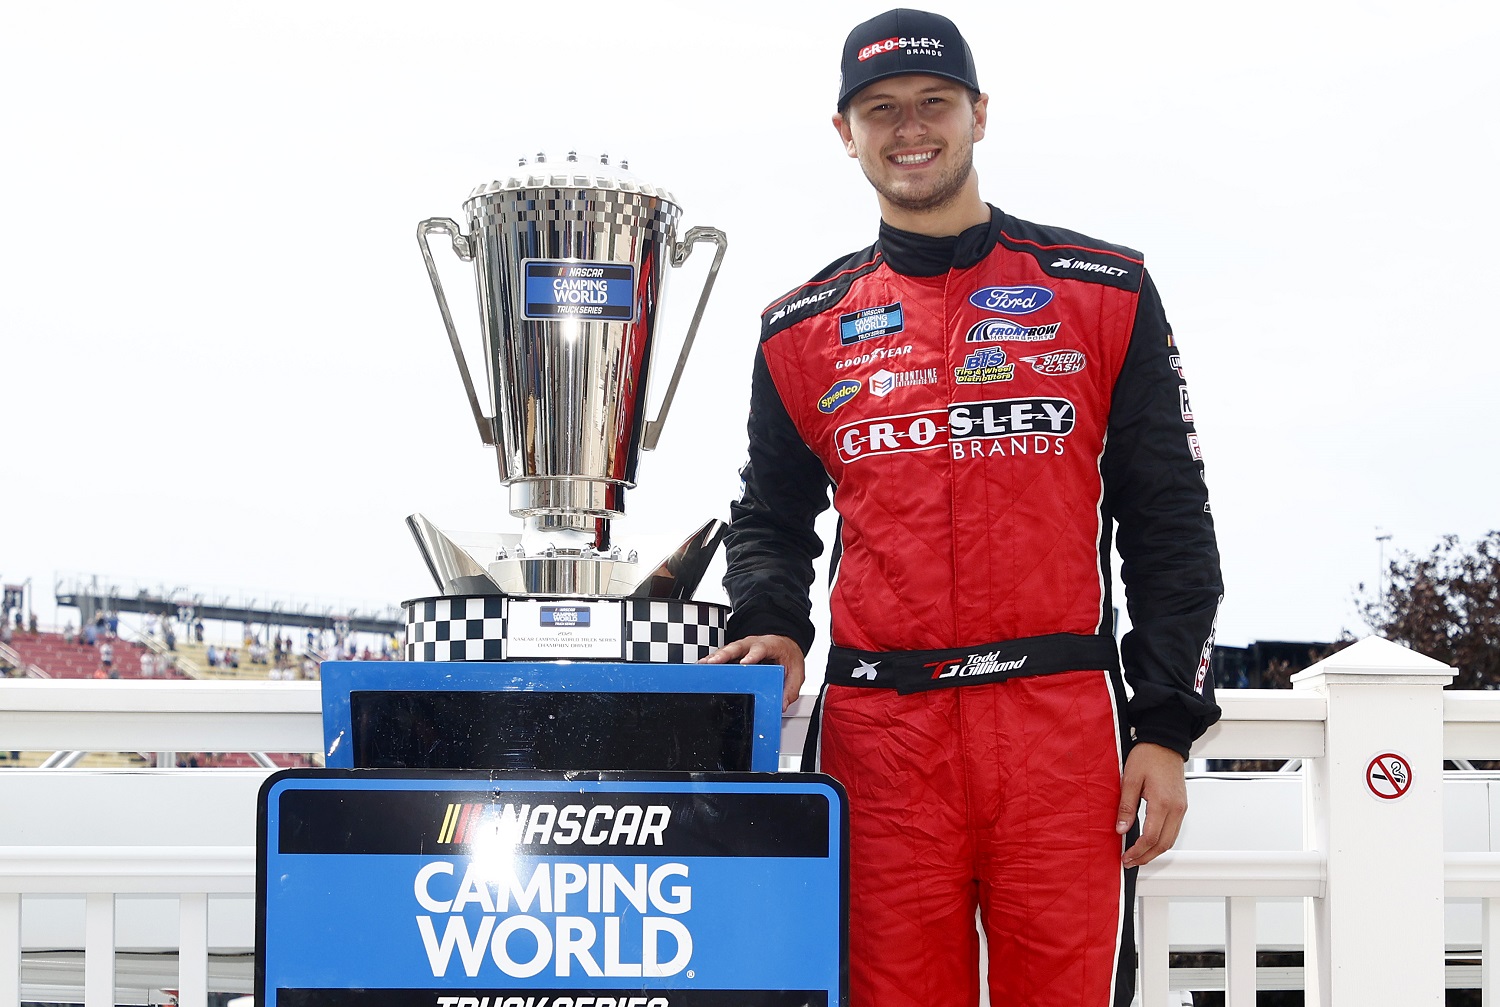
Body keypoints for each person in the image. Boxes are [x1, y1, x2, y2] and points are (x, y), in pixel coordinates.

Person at [704, 10, 1223, 1006]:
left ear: (979, 114)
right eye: (881, 109)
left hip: (1058, 733)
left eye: (934, 102)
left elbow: (1171, 524)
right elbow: (769, 512)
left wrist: (1163, 723)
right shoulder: (798, 330)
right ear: (843, 132)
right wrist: (768, 617)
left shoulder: (1105, 290)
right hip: (879, 742)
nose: (910, 127)